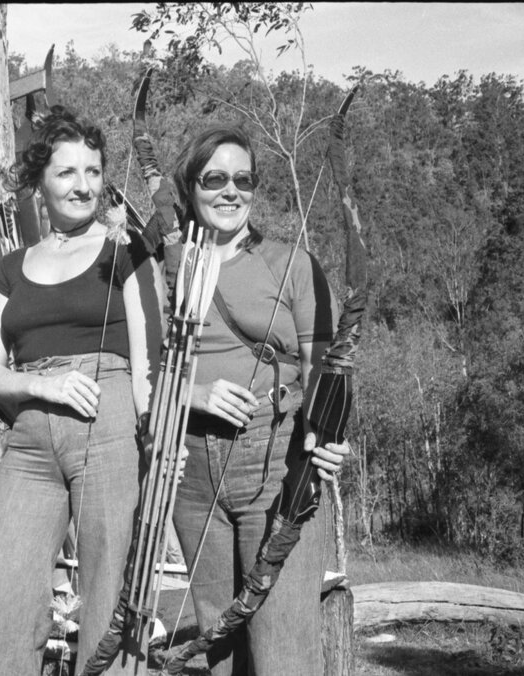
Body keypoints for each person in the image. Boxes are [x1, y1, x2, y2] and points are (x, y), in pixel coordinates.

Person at [0, 106, 162, 675]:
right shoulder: (11, 267)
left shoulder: (126, 249)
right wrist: (41, 385)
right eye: (68, 172)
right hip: (31, 435)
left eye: (93, 171)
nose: (84, 185)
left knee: (110, 598)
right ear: (40, 181)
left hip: (111, 419)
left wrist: (157, 443)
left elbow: (149, 362)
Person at [167, 124, 350, 675]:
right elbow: (141, 372)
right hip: (191, 469)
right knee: (218, 644)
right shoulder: (166, 266)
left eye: (243, 180)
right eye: (215, 179)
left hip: (276, 457)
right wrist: (194, 393)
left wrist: (329, 436)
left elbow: (326, 369)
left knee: (281, 647)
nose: (231, 191)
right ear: (190, 186)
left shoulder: (290, 264)